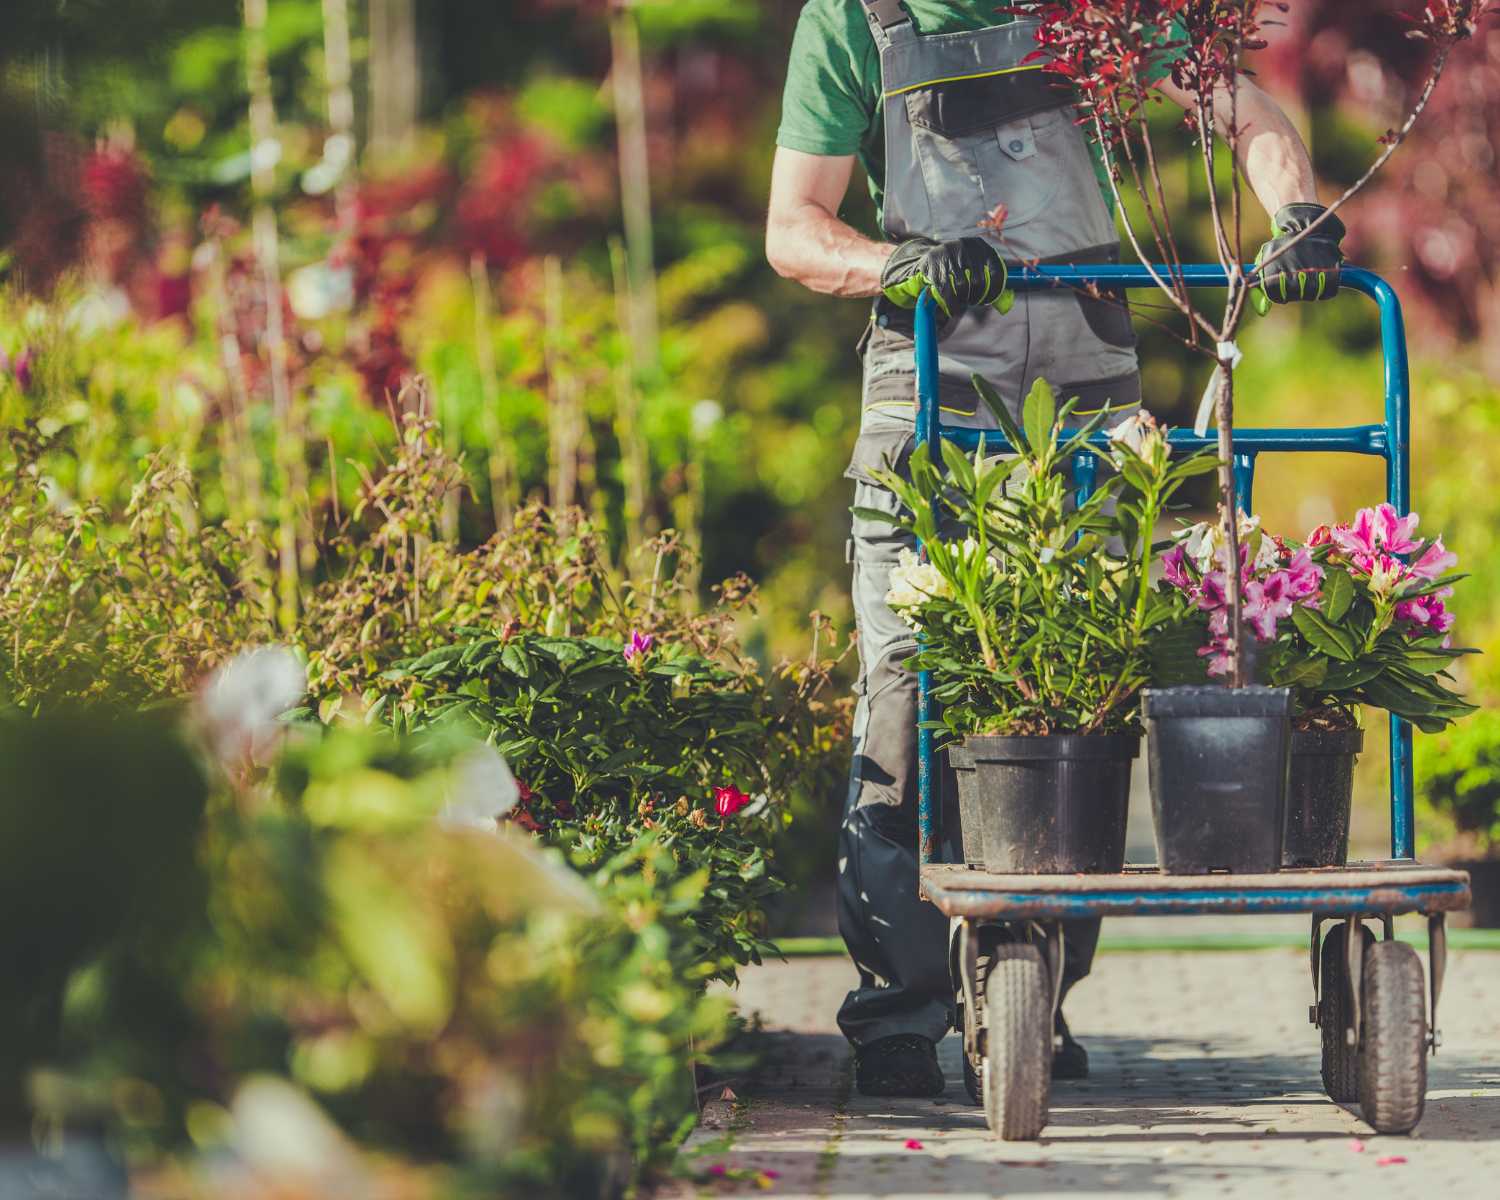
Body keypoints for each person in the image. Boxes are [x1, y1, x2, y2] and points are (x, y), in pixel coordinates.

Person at [765, 0, 1346, 1099]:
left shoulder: (1095, 7)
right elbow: (793, 227)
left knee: (1077, 694)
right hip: (927, 397)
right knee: (904, 696)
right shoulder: (854, 17)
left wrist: (1298, 214)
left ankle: (1042, 979)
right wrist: (899, 263)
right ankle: (898, 1010)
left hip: (1084, 403)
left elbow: (1241, 108)